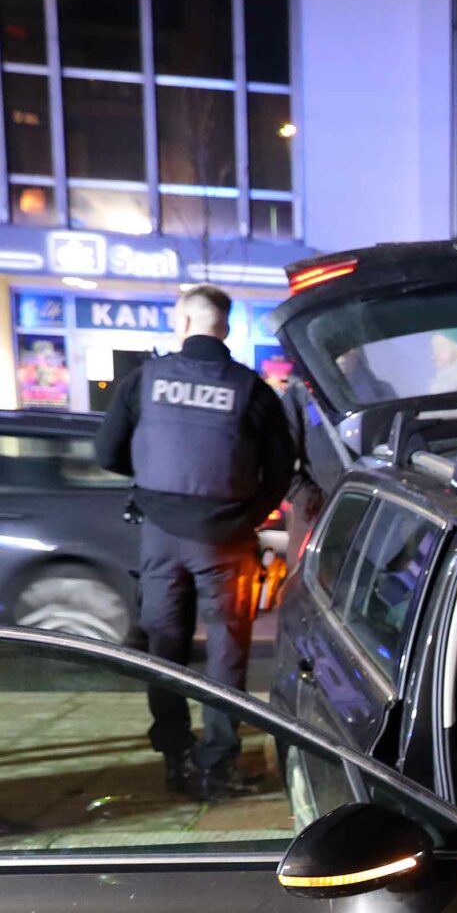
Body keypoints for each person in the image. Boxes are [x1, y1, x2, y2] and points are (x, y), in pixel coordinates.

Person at [94, 283, 295, 797]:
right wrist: (247, 514)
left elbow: (107, 453)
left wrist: (154, 487)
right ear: (225, 327)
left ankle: (175, 758)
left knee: (164, 651)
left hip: (160, 535)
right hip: (225, 539)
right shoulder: (252, 390)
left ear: (182, 323)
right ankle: (218, 767)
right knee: (227, 654)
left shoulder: (144, 380)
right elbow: (280, 468)